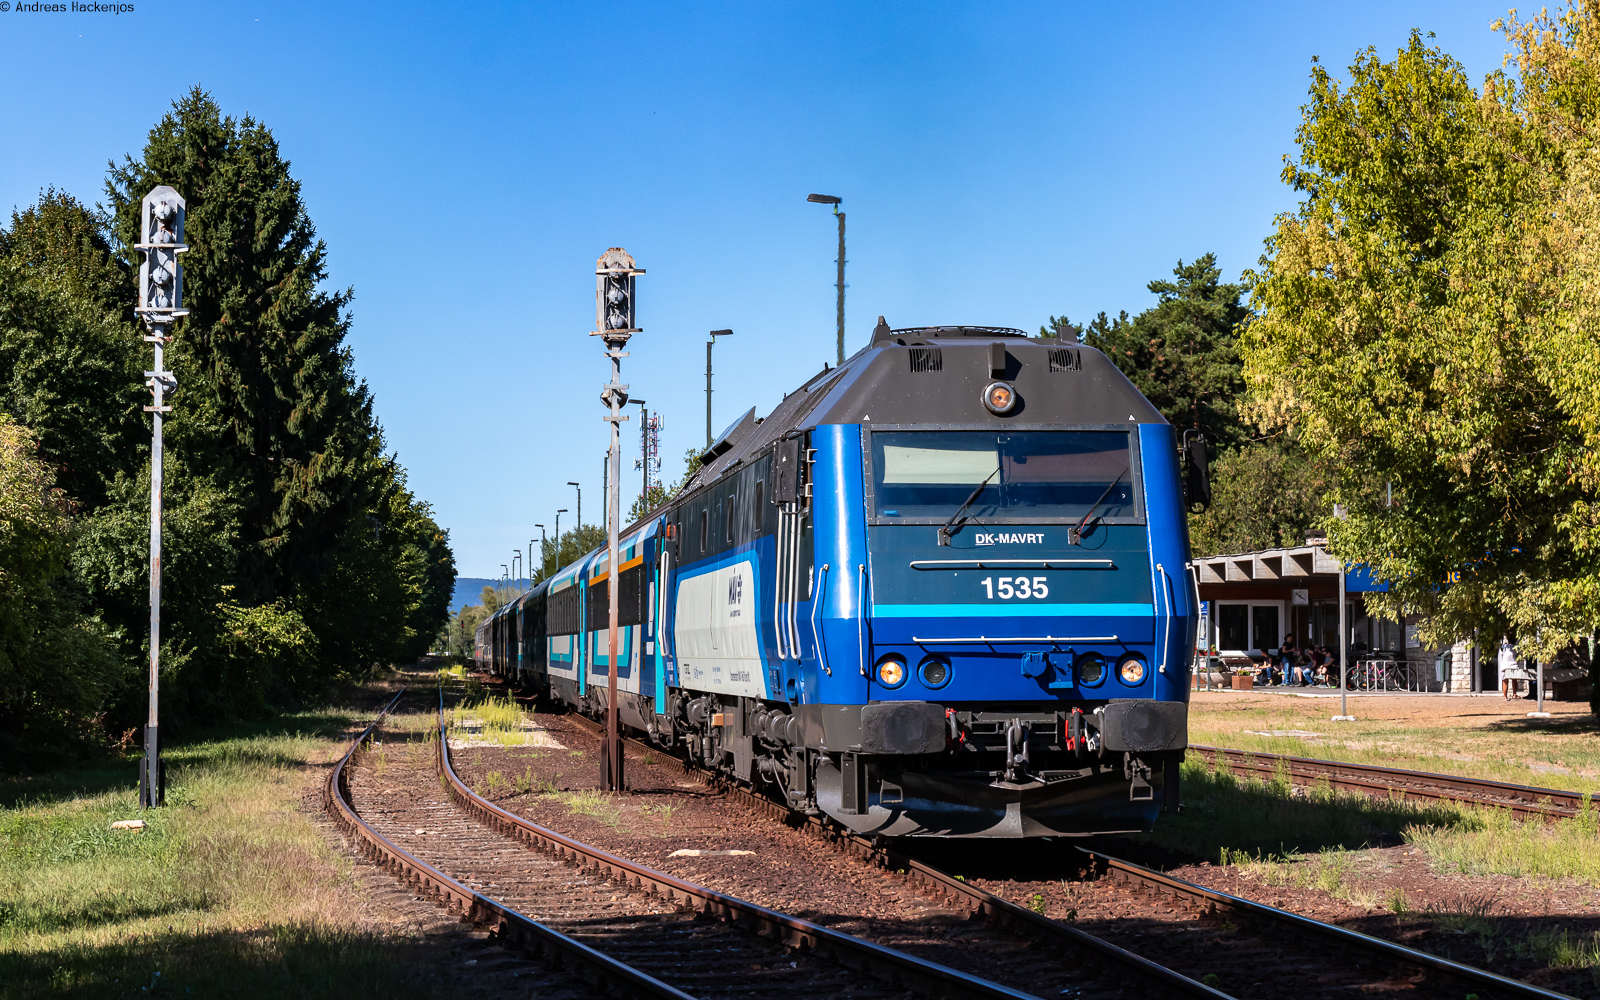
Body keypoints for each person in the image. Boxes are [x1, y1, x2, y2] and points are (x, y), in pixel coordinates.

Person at [1498, 636, 1519, 701]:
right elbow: (1517, 656)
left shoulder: (1503, 647)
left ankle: (1505, 697)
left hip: (1505, 665)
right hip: (1513, 665)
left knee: (1505, 681)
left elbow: (1500, 655)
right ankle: (1514, 694)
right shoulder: (1515, 647)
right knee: (1514, 680)